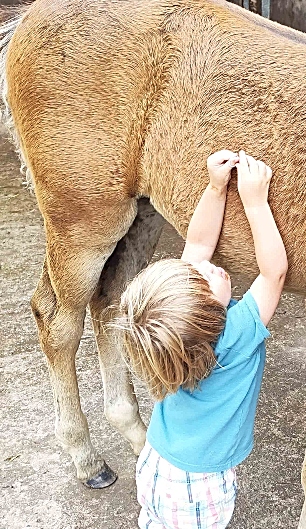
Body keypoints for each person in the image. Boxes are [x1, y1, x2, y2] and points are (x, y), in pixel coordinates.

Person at [114, 149, 288, 529]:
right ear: (212, 317)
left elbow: (197, 248)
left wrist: (215, 188)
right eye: (207, 281)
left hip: (157, 463)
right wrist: (256, 201)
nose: (209, 269)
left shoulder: (176, 336)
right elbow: (273, 273)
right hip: (200, 489)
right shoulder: (234, 335)